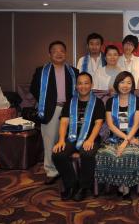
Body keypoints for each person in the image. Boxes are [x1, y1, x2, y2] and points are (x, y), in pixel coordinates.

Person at [30, 41, 79, 185]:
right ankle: (51, 171)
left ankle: (67, 169)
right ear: (49, 54)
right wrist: (47, 101)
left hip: (69, 110)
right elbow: (34, 89)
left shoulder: (73, 72)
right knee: (50, 142)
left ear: (66, 53)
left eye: (62, 51)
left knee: (68, 141)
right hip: (50, 110)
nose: (59, 53)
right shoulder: (42, 71)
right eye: (55, 51)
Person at [52, 72, 105, 201]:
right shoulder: (70, 102)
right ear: (76, 86)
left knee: (87, 154)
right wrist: (60, 140)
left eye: (86, 83)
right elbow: (64, 122)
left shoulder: (97, 103)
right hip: (71, 137)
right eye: (80, 83)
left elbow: (98, 124)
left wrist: (91, 139)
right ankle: (71, 184)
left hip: (90, 137)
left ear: (91, 85)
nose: (83, 86)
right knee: (58, 154)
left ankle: (84, 187)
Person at [95, 71, 139, 200]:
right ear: (117, 84)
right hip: (115, 137)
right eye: (122, 82)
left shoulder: (138, 101)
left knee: (129, 153)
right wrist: (124, 140)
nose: (125, 85)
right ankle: (119, 184)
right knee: (104, 153)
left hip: (136, 137)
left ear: (133, 85)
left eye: (129, 82)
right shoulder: (110, 101)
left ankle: (126, 186)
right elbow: (111, 125)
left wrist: (125, 142)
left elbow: (136, 125)